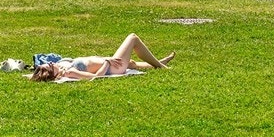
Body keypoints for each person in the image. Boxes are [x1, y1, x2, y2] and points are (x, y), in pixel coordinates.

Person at [30, 34, 175, 82]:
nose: (51, 62)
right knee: (133, 38)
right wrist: (106, 62)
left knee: (131, 63)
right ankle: (162, 66)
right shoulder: (70, 72)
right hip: (114, 66)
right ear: (52, 73)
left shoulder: (63, 67)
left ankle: (158, 62)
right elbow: (96, 77)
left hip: (113, 64)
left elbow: (31, 75)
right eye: (50, 65)